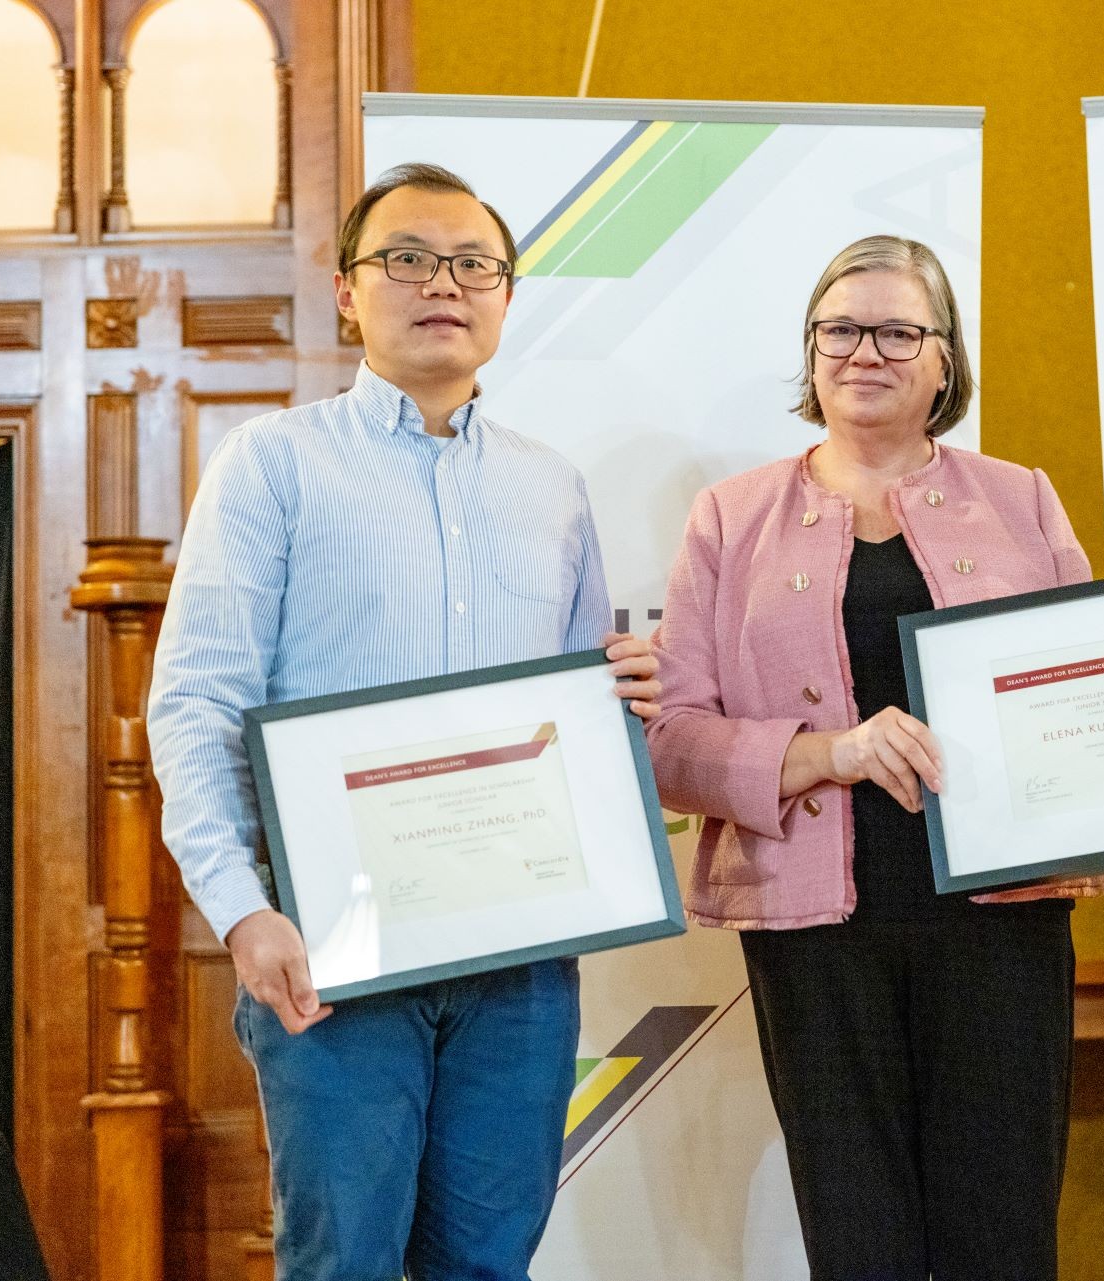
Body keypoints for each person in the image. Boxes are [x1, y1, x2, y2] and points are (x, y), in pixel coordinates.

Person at [146, 162, 660, 1281]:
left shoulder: (552, 488)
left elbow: (576, 714)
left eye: (476, 264)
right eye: (409, 259)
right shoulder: (270, 467)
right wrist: (242, 914)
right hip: (333, 950)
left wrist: (626, 696)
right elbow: (194, 704)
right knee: (345, 1265)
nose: (446, 284)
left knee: (489, 1265)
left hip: (518, 961)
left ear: (506, 298)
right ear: (347, 290)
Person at [644, 234, 1104, 1281]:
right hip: (815, 932)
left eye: (901, 329)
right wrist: (831, 753)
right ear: (809, 355)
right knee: (860, 1247)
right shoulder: (731, 516)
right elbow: (672, 743)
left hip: (1003, 921)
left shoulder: (1023, 498)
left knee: (1004, 1244)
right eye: (841, 328)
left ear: (946, 360)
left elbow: (1085, 700)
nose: (868, 350)